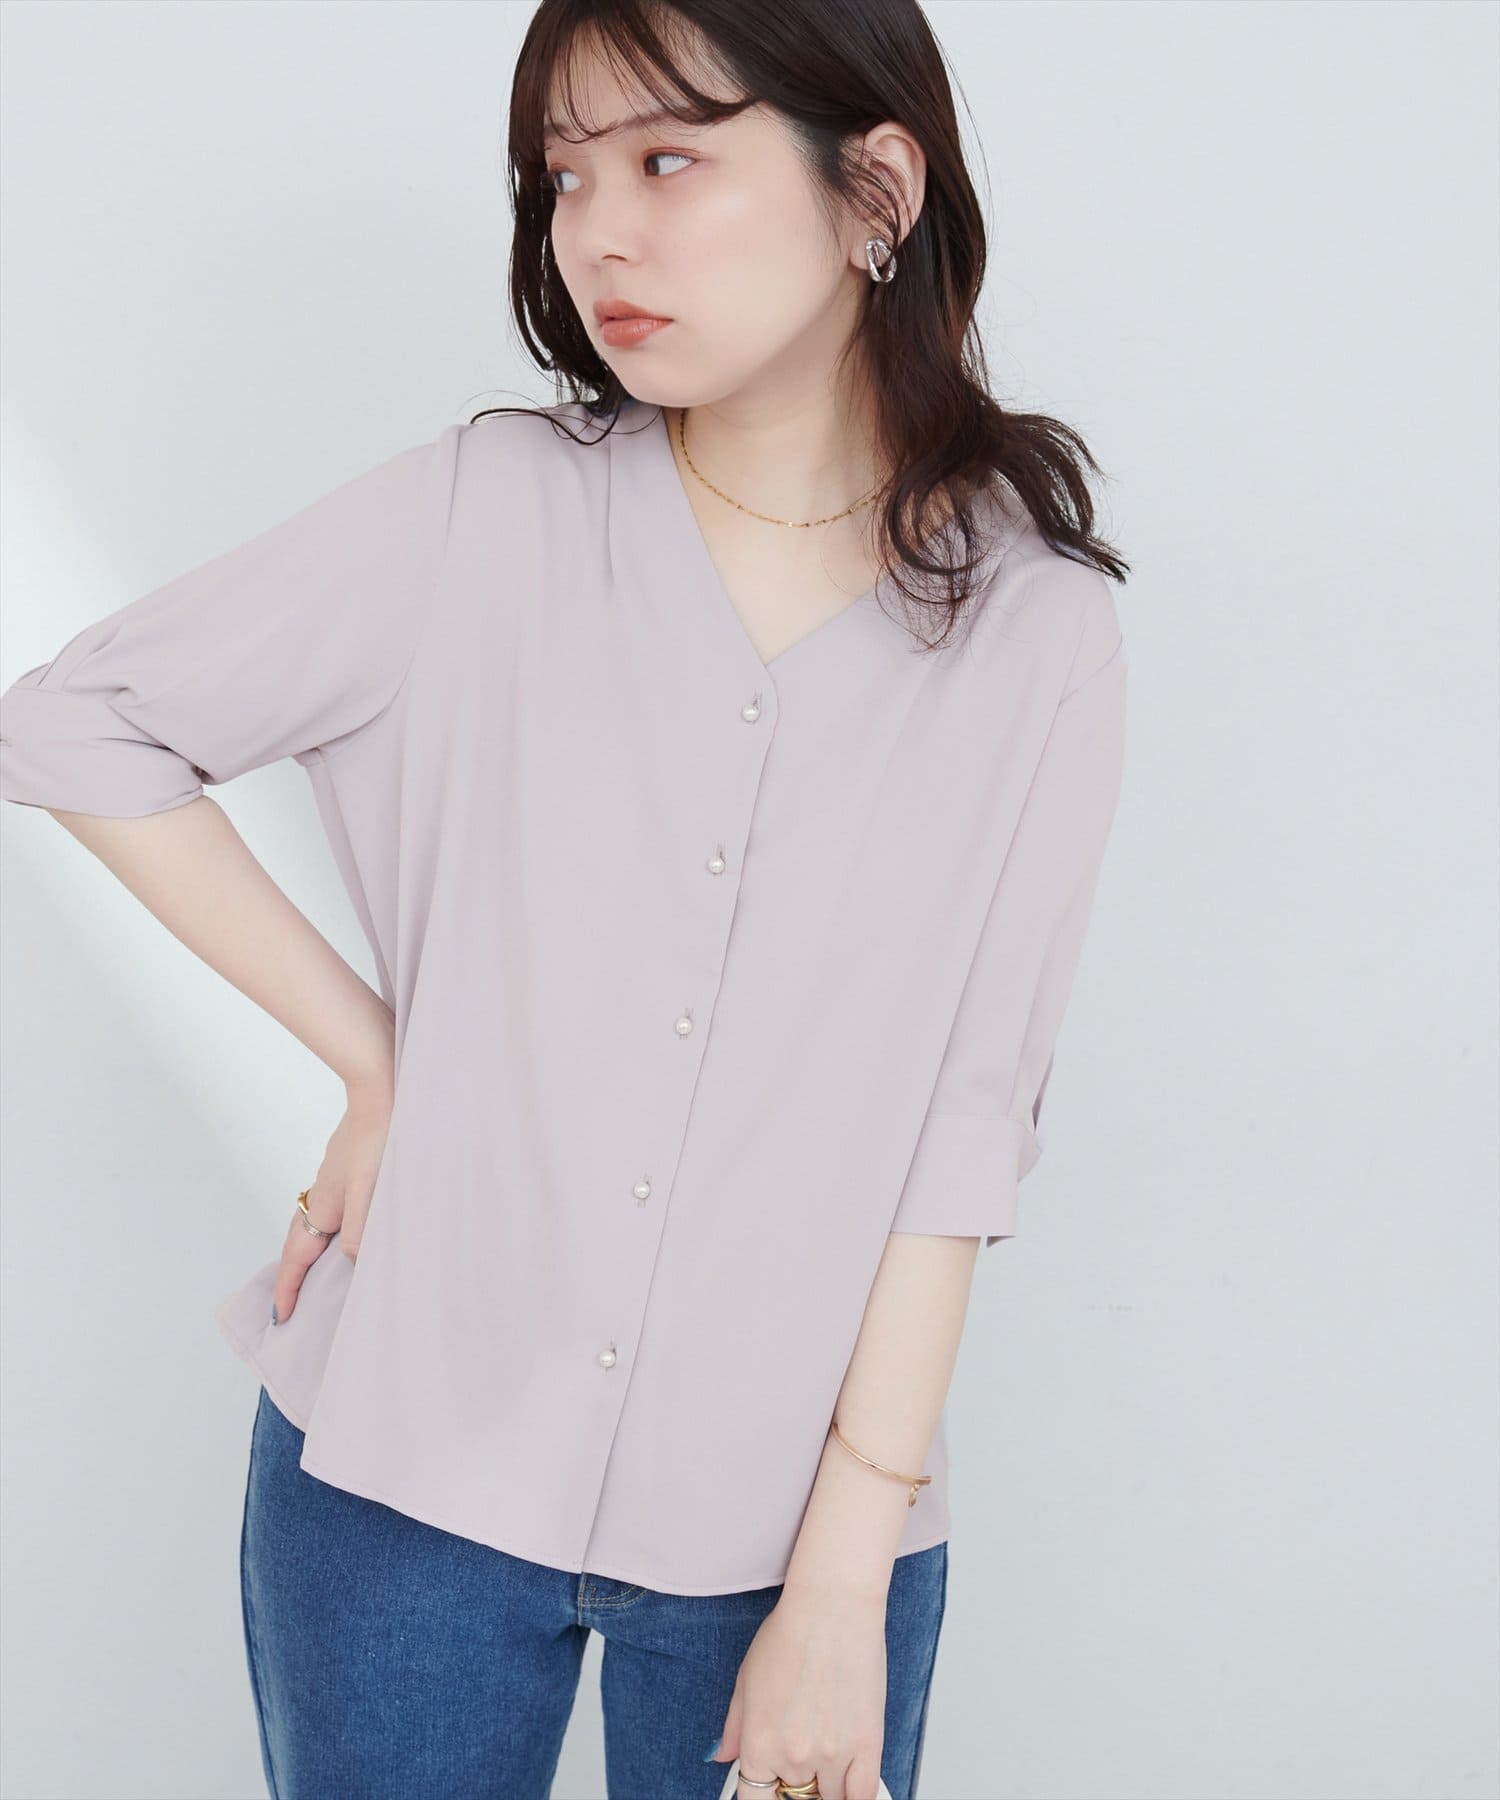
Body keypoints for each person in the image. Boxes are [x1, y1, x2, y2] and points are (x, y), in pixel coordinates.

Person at [0, 3, 1131, 1796]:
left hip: (796, 1535)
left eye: (669, 160)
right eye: (564, 178)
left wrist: (842, 1585)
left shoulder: (1034, 631)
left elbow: (962, 1130)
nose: (599, 232)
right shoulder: (487, 511)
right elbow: (78, 723)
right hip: (402, 1475)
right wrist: (379, 1059)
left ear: (876, 190)